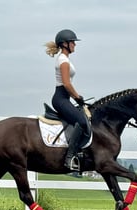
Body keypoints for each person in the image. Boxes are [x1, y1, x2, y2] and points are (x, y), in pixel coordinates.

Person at [45, 29, 88, 171]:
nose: (75, 44)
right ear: (65, 44)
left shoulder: (65, 59)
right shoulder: (63, 60)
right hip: (61, 98)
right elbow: (66, 83)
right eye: (73, 42)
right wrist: (77, 97)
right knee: (81, 121)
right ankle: (69, 157)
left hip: (64, 97)